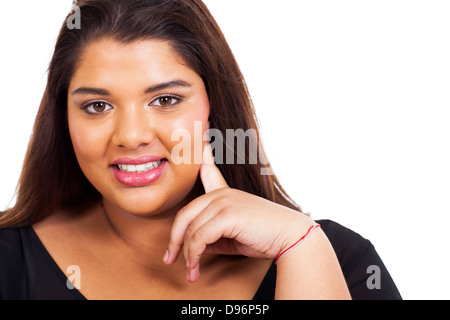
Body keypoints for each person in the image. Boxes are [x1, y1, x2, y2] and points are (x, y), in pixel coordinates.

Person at [0, 0, 401, 300]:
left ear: (213, 106)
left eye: (166, 100)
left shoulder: (337, 257)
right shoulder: (9, 260)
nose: (132, 135)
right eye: (97, 106)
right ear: (64, 118)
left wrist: (298, 246)